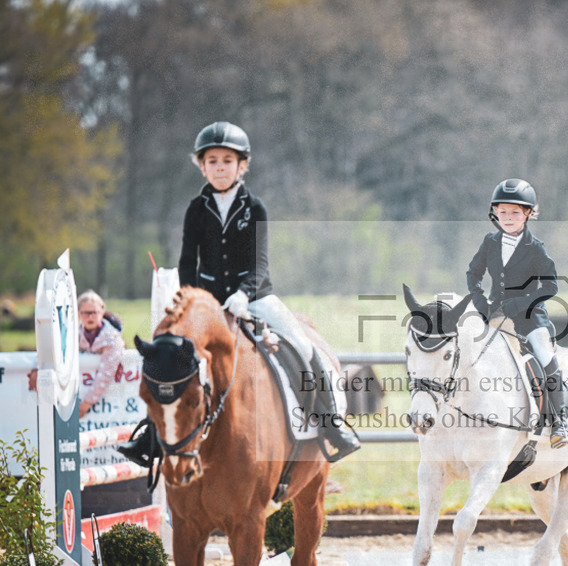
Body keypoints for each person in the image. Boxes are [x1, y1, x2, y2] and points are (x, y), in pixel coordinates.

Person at [119, 121, 358, 465]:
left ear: (242, 165)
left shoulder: (255, 208)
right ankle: (150, 435)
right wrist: (194, 300)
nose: (219, 167)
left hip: (256, 297)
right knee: (169, 353)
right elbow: (188, 262)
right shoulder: (195, 210)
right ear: (202, 166)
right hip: (207, 304)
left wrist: (244, 294)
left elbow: (260, 264)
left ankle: (332, 421)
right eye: (212, 160)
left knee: (303, 345)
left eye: (227, 160)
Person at [467, 178, 568, 448]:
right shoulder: (490, 242)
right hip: (494, 314)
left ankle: (560, 422)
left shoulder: (535, 248)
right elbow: (473, 274)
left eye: (515, 212)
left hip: (530, 318)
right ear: (495, 213)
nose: (508, 217)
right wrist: (479, 302)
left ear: (528, 213)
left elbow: (551, 286)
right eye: (503, 212)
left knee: (546, 358)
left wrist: (520, 302)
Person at [78, 290, 125, 418]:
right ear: (79, 314)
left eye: (94, 312)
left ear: (102, 312)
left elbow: (106, 372)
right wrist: (37, 368)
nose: (90, 317)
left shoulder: (112, 338)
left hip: (107, 404)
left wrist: (87, 402)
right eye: (85, 313)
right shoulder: (73, 333)